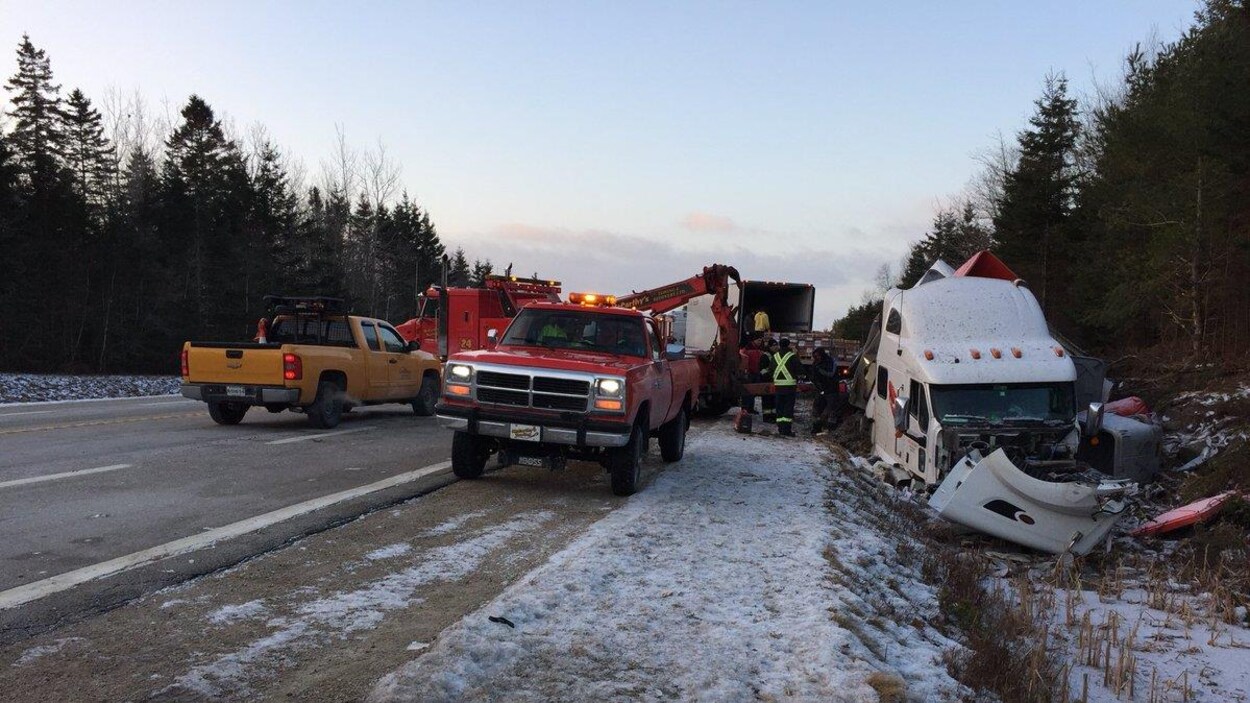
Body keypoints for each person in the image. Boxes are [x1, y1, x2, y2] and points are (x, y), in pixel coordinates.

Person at [770, 338, 801, 436]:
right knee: (788, 408)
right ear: (788, 345)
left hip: (778, 387)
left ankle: (780, 428)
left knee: (779, 407)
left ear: (780, 345)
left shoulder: (775, 356)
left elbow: (770, 370)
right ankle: (786, 430)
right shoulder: (792, 356)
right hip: (790, 387)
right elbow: (800, 370)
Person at [810, 348, 841, 436]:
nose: (816, 358)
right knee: (818, 408)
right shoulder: (816, 363)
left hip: (831, 389)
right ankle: (817, 427)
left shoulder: (830, 361)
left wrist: (820, 370)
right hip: (821, 389)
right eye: (815, 356)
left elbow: (830, 374)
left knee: (830, 409)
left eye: (818, 356)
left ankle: (830, 427)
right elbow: (813, 376)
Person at [739, 337, 764, 413]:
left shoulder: (758, 349)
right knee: (747, 392)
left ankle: (750, 408)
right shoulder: (747, 349)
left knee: (753, 392)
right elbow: (743, 359)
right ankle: (745, 409)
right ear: (754, 340)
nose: (760, 342)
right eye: (758, 340)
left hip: (756, 372)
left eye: (760, 340)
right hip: (749, 373)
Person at [757, 338, 780, 423]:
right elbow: (762, 369)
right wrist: (768, 376)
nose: (776, 347)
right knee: (767, 400)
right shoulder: (765, 356)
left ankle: (773, 416)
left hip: (775, 381)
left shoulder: (777, 355)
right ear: (770, 346)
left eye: (776, 345)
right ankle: (767, 417)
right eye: (774, 345)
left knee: (773, 400)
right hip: (766, 381)